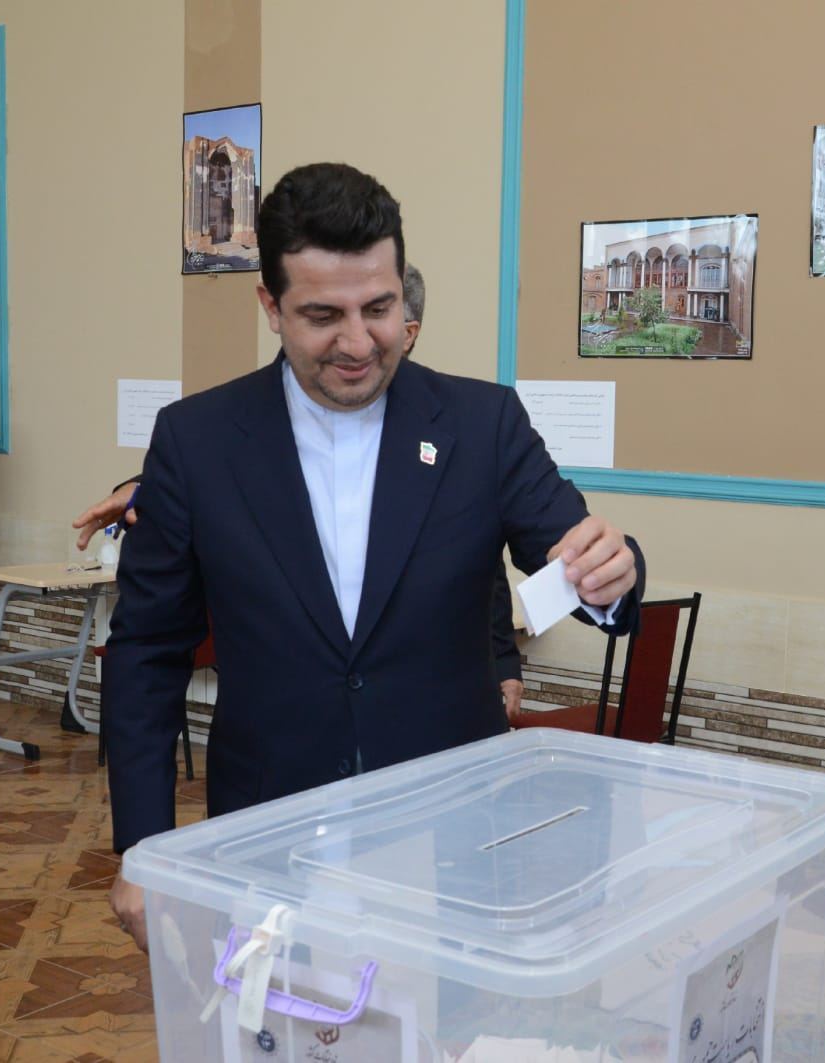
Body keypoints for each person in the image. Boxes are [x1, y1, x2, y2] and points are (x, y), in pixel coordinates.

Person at [102, 162, 644, 950]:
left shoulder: (481, 423)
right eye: (323, 314)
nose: (358, 343)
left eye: (379, 308)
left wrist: (612, 568)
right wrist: (143, 846)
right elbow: (146, 652)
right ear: (271, 307)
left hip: (455, 840)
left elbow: (582, 557)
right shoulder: (198, 441)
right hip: (270, 837)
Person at [72, 263, 526, 715]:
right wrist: (143, 489)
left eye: (374, 313)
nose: (349, 339)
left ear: (407, 333)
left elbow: (479, 561)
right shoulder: (252, 418)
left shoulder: (464, 428)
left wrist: (503, 659)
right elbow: (237, 476)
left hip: (425, 723)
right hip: (288, 727)